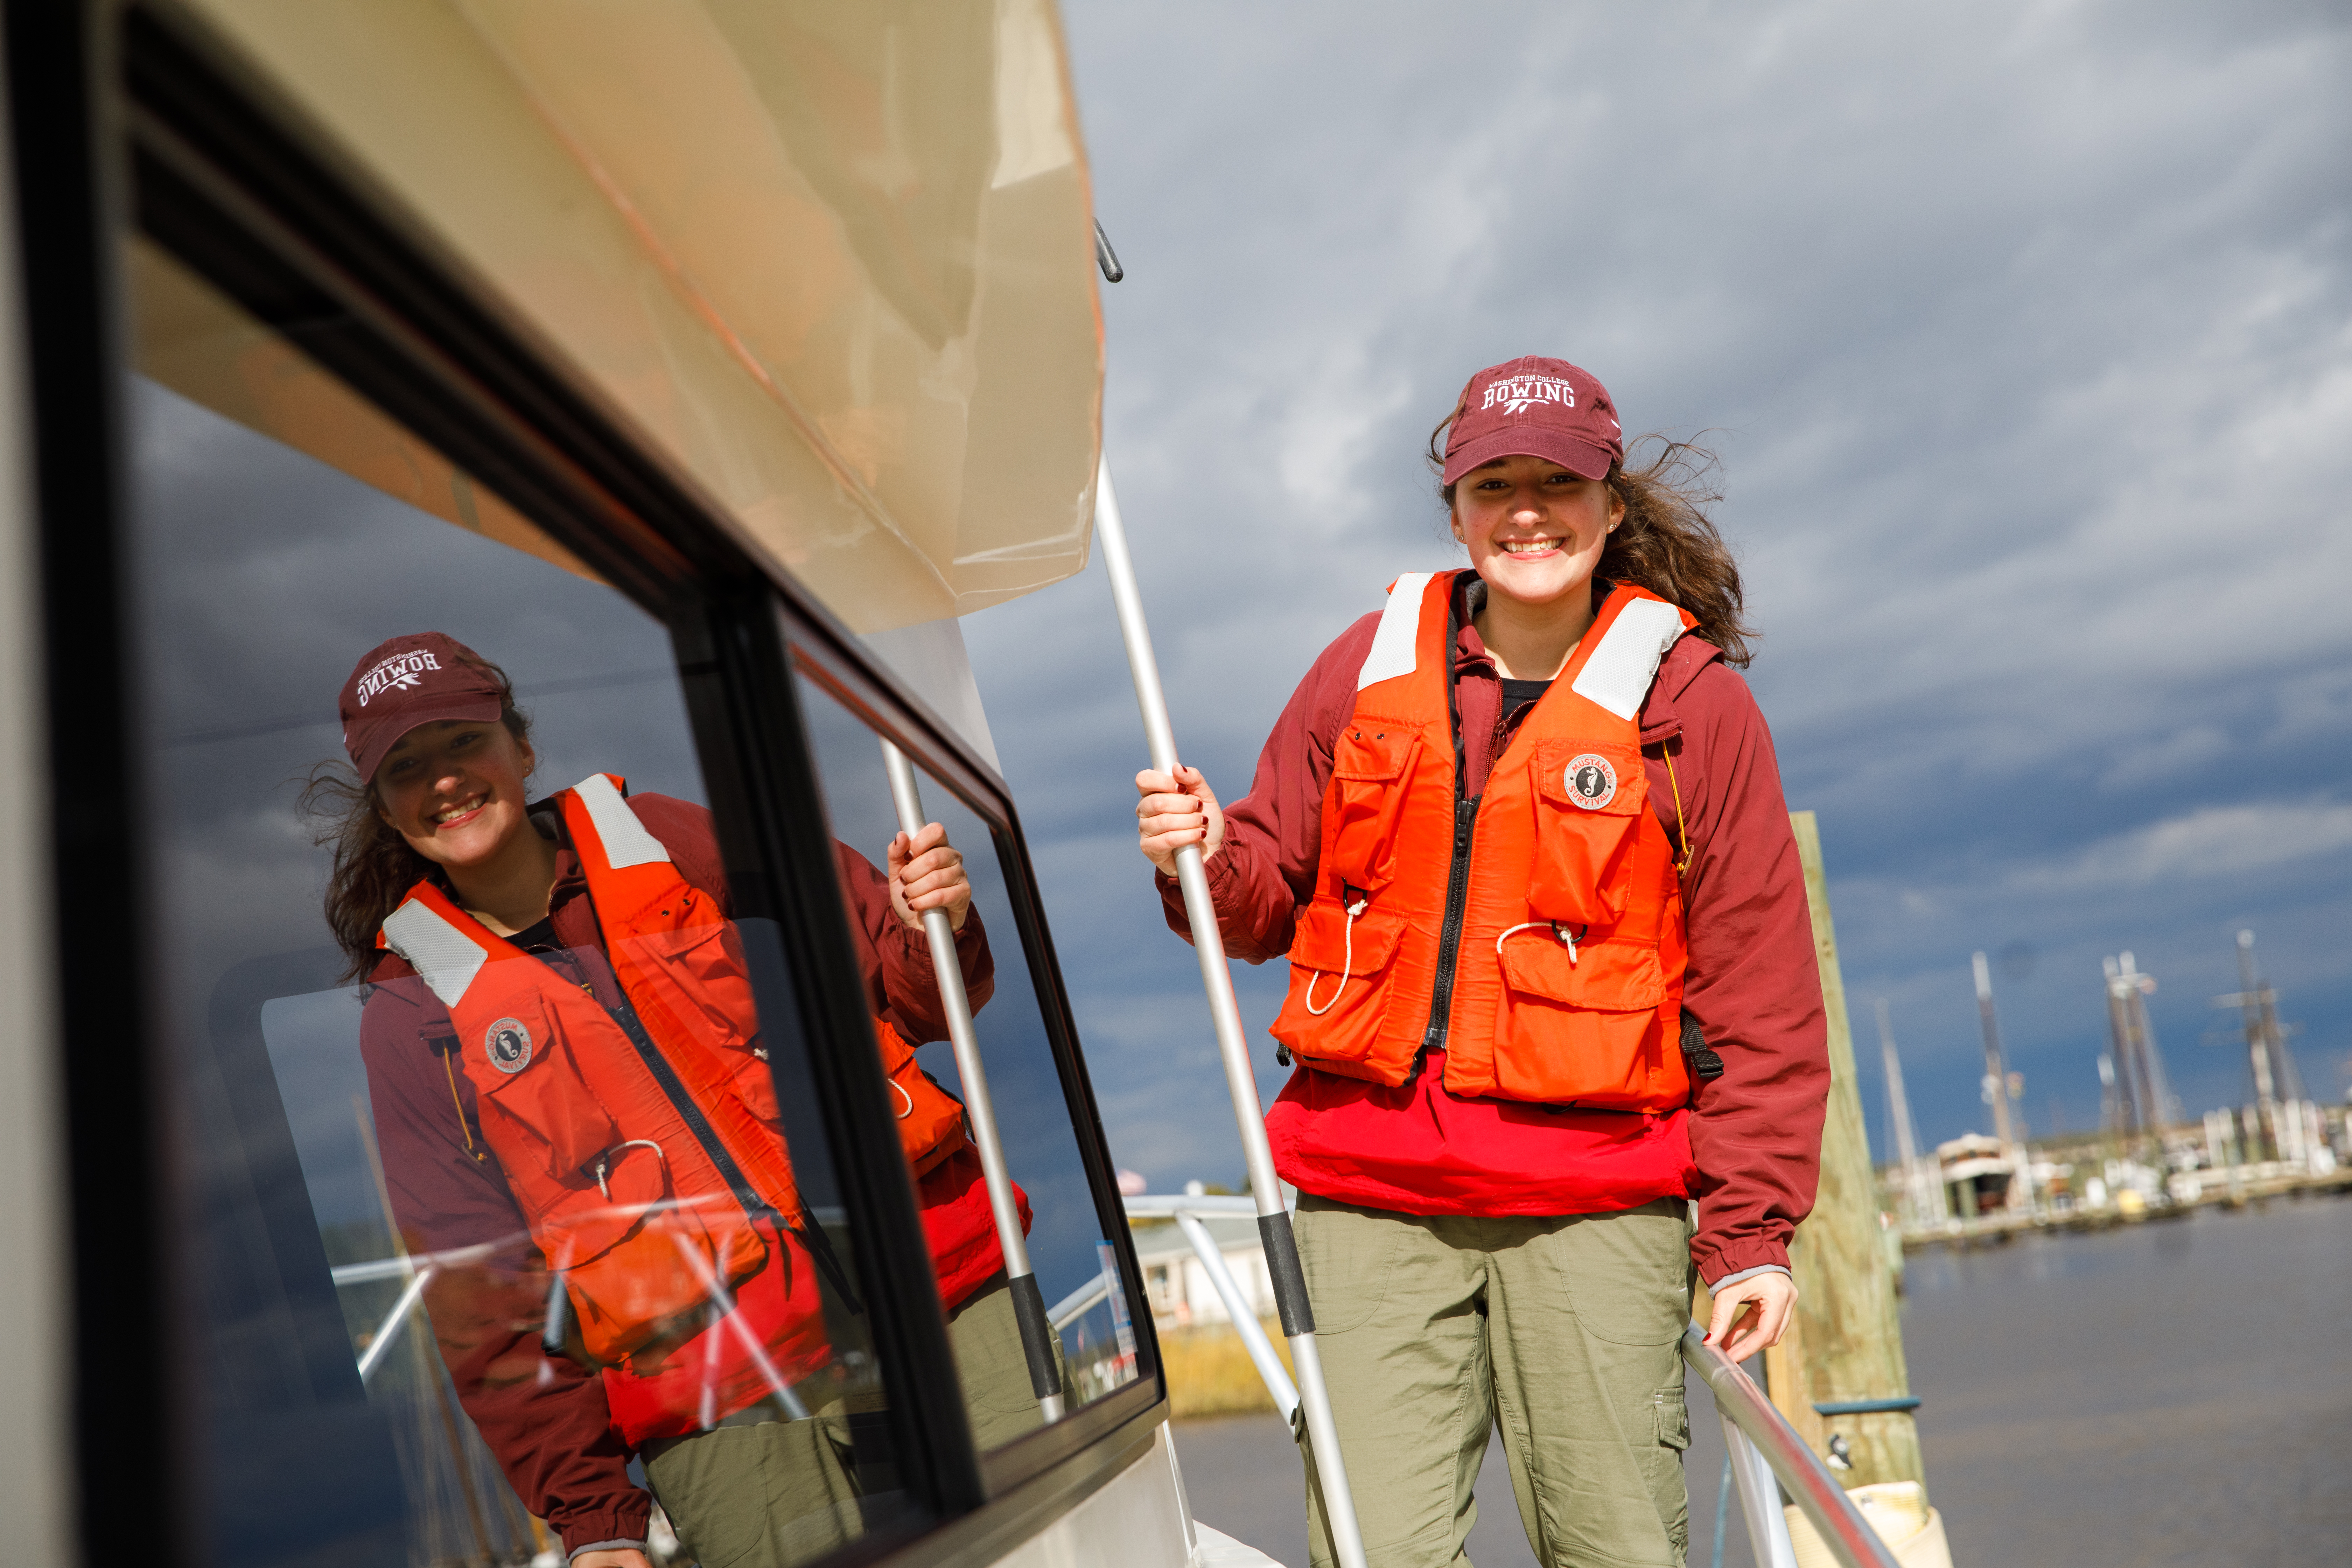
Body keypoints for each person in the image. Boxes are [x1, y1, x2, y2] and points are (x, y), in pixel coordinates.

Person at [1134, 357, 1830, 1567]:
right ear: (1455, 512)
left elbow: (1759, 995)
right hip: (1368, 1202)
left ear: (1610, 503)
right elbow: (1255, 903)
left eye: (1557, 482)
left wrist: (1750, 1235)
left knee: (1618, 1548)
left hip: (1595, 1206)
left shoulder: (1697, 709)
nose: (1526, 512)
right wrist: (1199, 851)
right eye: (1494, 485)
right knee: (1374, 1553)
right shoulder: (1363, 668)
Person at [315, 632, 1048, 1568]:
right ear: (386, 808)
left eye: (464, 741)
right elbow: (482, 1298)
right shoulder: (409, 1018)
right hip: (725, 1418)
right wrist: (595, 1521)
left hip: (947, 1300)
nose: (446, 779)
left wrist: (924, 923)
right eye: (408, 767)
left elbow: (922, 994)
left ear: (521, 747)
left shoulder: (669, 839)